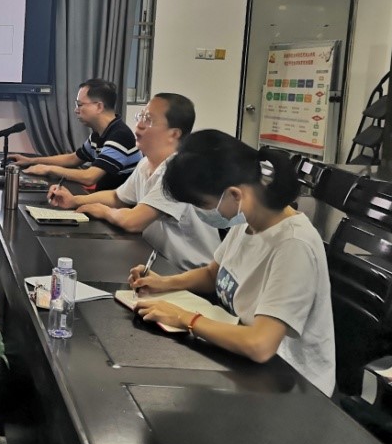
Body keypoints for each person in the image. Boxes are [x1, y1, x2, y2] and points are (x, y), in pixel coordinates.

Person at [129, 130, 335, 395]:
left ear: (235, 195)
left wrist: (184, 318)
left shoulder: (293, 245)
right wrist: (163, 283)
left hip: (291, 384)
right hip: (243, 360)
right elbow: (213, 274)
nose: (200, 212)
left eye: (202, 204)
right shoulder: (246, 220)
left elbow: (260, 344)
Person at [47, 93, 218, 271]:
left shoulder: (178, 171)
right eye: (141, 116)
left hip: (191, 274)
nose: (139, 124)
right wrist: (75, 200)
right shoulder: (145, 163)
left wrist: (102, 210)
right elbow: (117, 197)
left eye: (148, 119)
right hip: (157, 262)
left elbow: (133, 221)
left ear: (173, 134)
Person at [10, 78, 140, 190]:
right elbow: (73, 159)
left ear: (99, 107)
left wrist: (48, 169)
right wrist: (31, 161)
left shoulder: (119, 135)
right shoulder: (99, 133)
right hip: (103, 200)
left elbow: (89, 177)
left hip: (119, 207)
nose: (76, 110)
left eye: (79, 105)